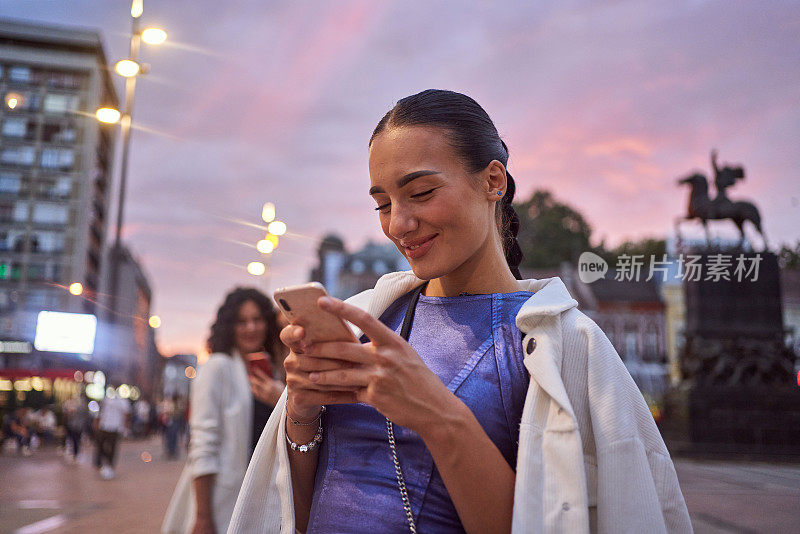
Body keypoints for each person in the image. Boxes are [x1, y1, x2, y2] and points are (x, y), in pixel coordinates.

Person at [229, 89, 692, 533]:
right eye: (383, 204)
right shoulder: (366, 320)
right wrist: (302, 413)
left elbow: (558, 519)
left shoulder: (566, 347)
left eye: (423, 192)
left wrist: (438, 417)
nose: (398, 225)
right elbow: (297, 515)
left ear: (494, 181)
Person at [162, 287, 285, 534]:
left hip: (260, 498)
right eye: (241, 321)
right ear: (229, 326)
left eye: (257, 319)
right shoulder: (217, 368)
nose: (251, 327)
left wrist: (279, 396)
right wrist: (203, 516)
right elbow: (203, 444)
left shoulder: (272, 371)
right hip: (222, 500)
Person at [94, 386, 131, 480]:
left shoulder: (122, 401)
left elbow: (126, 414)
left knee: (113, 447)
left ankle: (110, 466)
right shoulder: (106, 399)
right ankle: (104, 462)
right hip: (104, 426)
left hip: (115, 427)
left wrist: (125, 427)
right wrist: (97, 423)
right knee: (100, 445)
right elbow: (100, 412)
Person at [62, 393, 90, 462]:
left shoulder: (78, 406)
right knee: (75, 439)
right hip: (77, 425)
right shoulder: (82, 406)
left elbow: (71, 414)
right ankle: (75, 452)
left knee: (75, 439)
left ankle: (75, 452)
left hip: (75, 425)